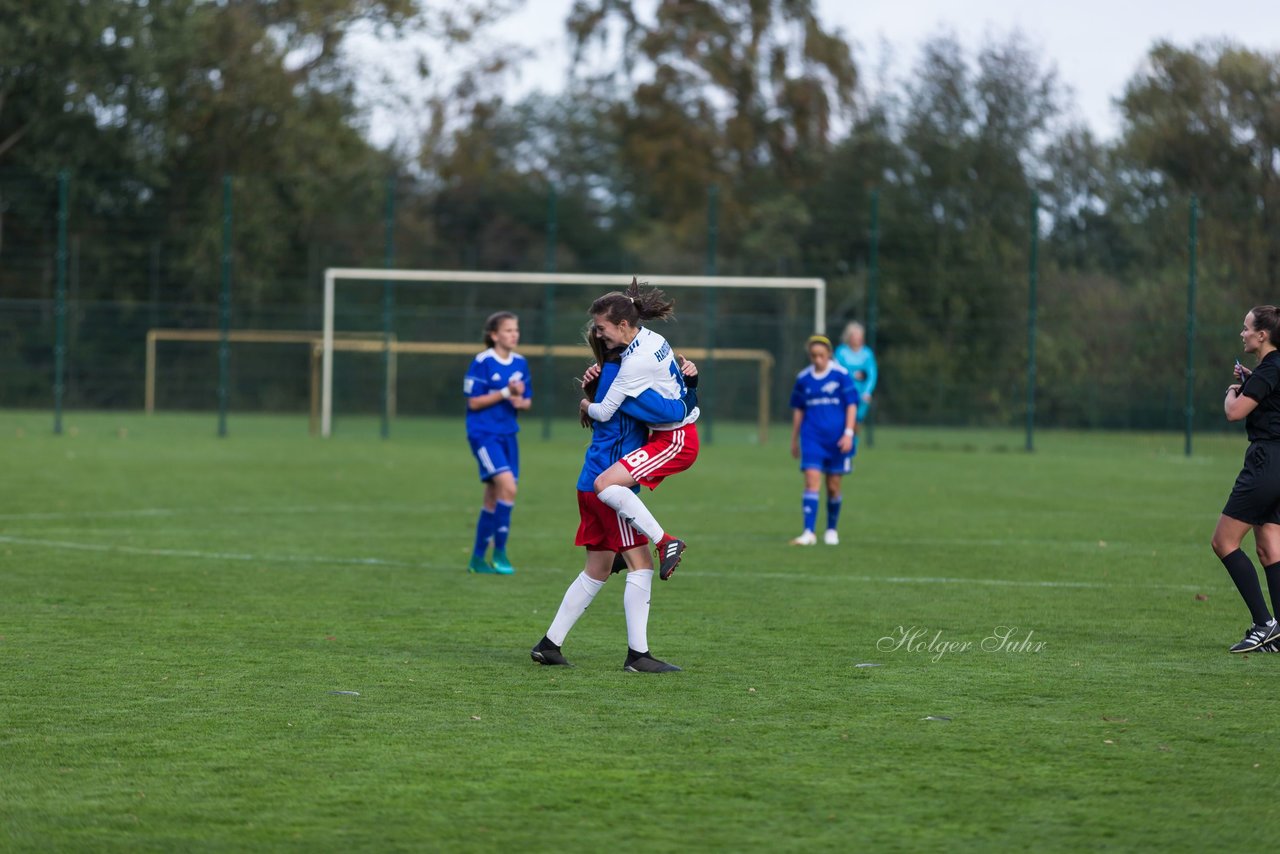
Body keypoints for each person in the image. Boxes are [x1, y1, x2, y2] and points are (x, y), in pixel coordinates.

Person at [530, 329, 699, 672]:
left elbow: (605, 406)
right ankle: (638, 655)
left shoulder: (611, 374)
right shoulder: (623, 379)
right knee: (642, 566)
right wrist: (689, 388)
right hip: (606, 488)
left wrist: (587, 396)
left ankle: (549, 644)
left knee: (597, 569)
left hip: (590, 484)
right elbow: (668, 410)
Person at [578, 279, 699, 581]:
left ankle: (665, 541)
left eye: (601, 327)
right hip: (667, 434)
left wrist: (584, 404)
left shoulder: (631, 364)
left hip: (676, 439)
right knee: (606, 486)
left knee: (605, 485)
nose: (596, 332)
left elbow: (605, 412)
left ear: (621, 325)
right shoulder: (651, 339)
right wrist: (692, 383)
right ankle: (656, 543)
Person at [1213, 305, 1280, 652]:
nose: (1243, 333)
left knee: (1223, 542)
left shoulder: (1270, 369)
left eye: (1246, 328)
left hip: (1266, 462)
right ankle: (1279, 632)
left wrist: (1232, 391)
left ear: (1262, 334)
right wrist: (1250, 381)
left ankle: (1264, 623)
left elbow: (1233, 413)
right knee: (1269, 548)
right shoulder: (1271, 369)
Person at [463, 311, 532, 575]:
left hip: (508, 434)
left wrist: (519, 401)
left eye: (516, 330)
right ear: (494, 335)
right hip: (484, 434)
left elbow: (526, 401)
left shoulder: (521, 363)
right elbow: (474, 402)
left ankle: (478, 559)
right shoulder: (482, 362)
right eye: (507, 330)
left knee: (493, 496)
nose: (513, 334)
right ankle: (500, 553)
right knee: (508, 487)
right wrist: (505, 392)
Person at [789, 334, 859, 546]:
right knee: (811, 480)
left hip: (838, 439)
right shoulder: (803, 379)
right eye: (813, 355)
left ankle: (831, 529)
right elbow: (799, 410)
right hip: (812, 437)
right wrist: (794, 439)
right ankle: (808, 532)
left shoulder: (841, 375)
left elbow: (852, 405)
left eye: (821, 355)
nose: (817, 359)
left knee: (833, 487)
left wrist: (848, 433)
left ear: (829, 354)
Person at [834, 321, 877, 426]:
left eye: (860, 335)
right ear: (849, 336)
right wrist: (852, 375)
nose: (858, 338)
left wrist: (867, 392)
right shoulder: (841, 352)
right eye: (855, 335)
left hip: (861, 393)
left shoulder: (867, 353)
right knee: (843, 421)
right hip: (843, 392)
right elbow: (836, 370)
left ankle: (853, 442)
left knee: (857, 421)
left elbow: (872, 374)